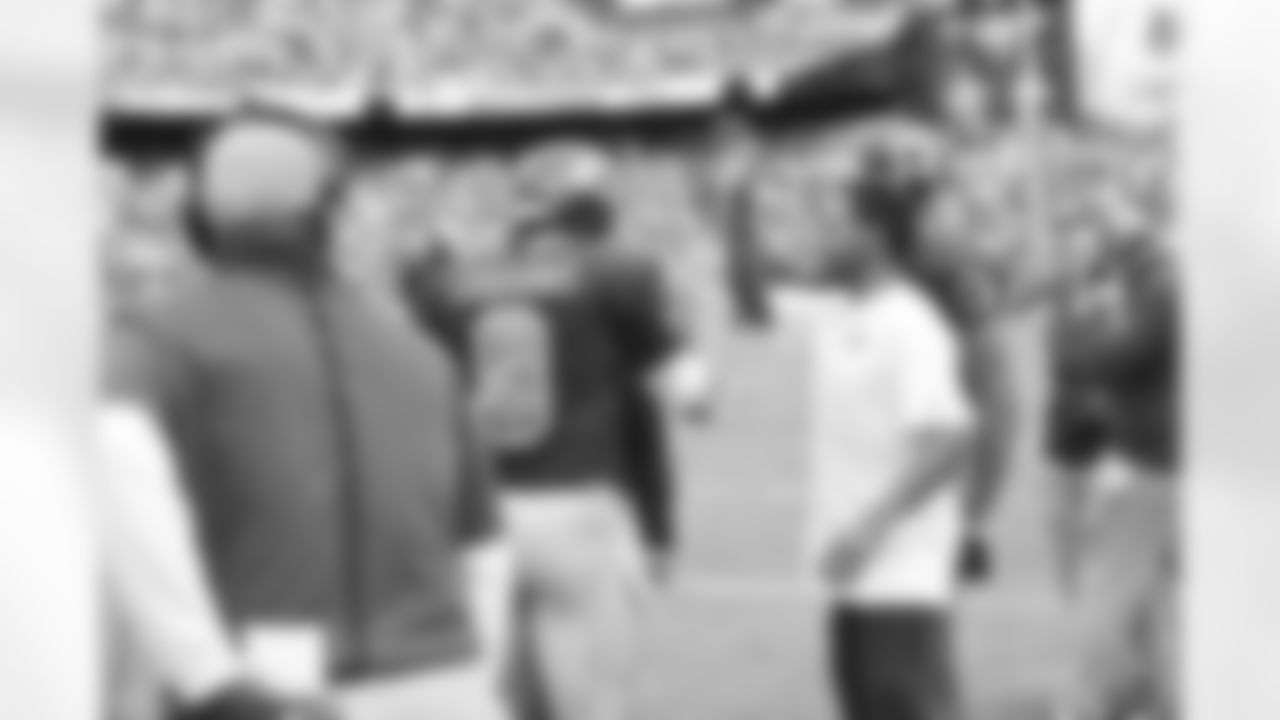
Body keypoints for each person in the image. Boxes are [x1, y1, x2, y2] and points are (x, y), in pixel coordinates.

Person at [117, 109, 507, 720]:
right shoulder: (419, 353)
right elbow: (484, 550)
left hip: (275, 687)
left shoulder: (162, 339)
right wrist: (477, 680)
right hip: (444, 678)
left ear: (197, 218)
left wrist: (205, 676)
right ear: (332, 215)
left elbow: (123, 478)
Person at [402, 191, 706, 720]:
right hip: (574, 503)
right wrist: (659, 532)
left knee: (480, 692)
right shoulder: (613, 279)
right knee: (590, 694)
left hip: (472, 513)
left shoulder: (448, 286)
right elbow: (689, 394)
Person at [775, 174, 976, 720]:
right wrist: (735, 196)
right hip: (853, 575)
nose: (819, 235)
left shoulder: (910, 325)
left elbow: (950, 439)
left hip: (900, 574)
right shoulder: (839, 311)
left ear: (874, 235)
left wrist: (869, 527)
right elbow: (749, 299)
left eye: (833, 224)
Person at [1047, 237, 1178, 720]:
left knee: (1109, 591)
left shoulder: (1165, 297)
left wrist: (1076, 316)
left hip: (1150, 465)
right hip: (1168, 465)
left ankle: (1082, 703)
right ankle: (1166, 696)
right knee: (1157, 594)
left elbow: (1102, 360)